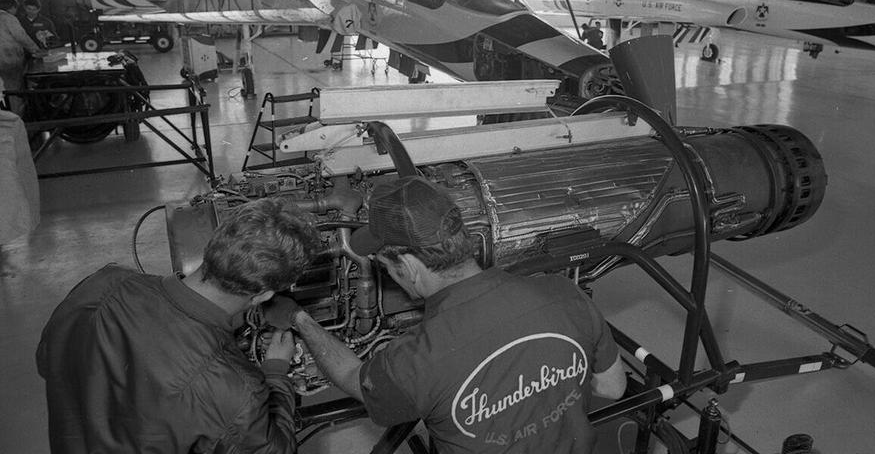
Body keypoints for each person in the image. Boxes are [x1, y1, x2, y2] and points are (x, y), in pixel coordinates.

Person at [279, 175, 627, 453]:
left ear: (411, 265)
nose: (389, 276)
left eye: (387, 267)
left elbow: (355, 378)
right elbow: (613, 387)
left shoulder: (411, 361)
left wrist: (300, 319)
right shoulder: (564, 293)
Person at [36, 198, 322, 453]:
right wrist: (276, 374)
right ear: (263, 294)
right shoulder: (234, 389)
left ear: (213, 244)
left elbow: (47, 358)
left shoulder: (103, 284)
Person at [0, 0, 44, 114]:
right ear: (13, 8)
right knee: (13, 90)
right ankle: (17, 117)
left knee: (3, 90)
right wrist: (36, 50)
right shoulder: (8, 18)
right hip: (9, 61)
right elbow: (21, 37)